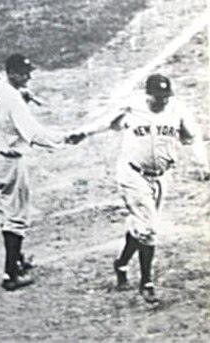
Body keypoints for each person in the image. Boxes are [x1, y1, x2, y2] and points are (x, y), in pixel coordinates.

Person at [66, 73, 210, 303]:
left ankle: (121, 264)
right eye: (157, 97)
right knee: (149, 227)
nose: (162, 101)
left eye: (165, 97)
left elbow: (193, 137)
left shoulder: (177, 111)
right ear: (148, 94)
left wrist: (203, 164)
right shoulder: (132, 108)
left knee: (141, 226)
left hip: (162, 177)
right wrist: (83, 133)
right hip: (132, 174)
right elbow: (105, 121)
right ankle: (146, 282)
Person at [0, 53, 66, 291]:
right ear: (12, 73)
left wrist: (20, 97)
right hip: (7, 164)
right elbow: (34, 135)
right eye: (24, 73)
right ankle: (11, 275)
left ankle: (17, 259)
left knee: (5, 211)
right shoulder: (13, 98)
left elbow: (3, 110)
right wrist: (63, 140)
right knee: (16, 218)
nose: (28, 76)